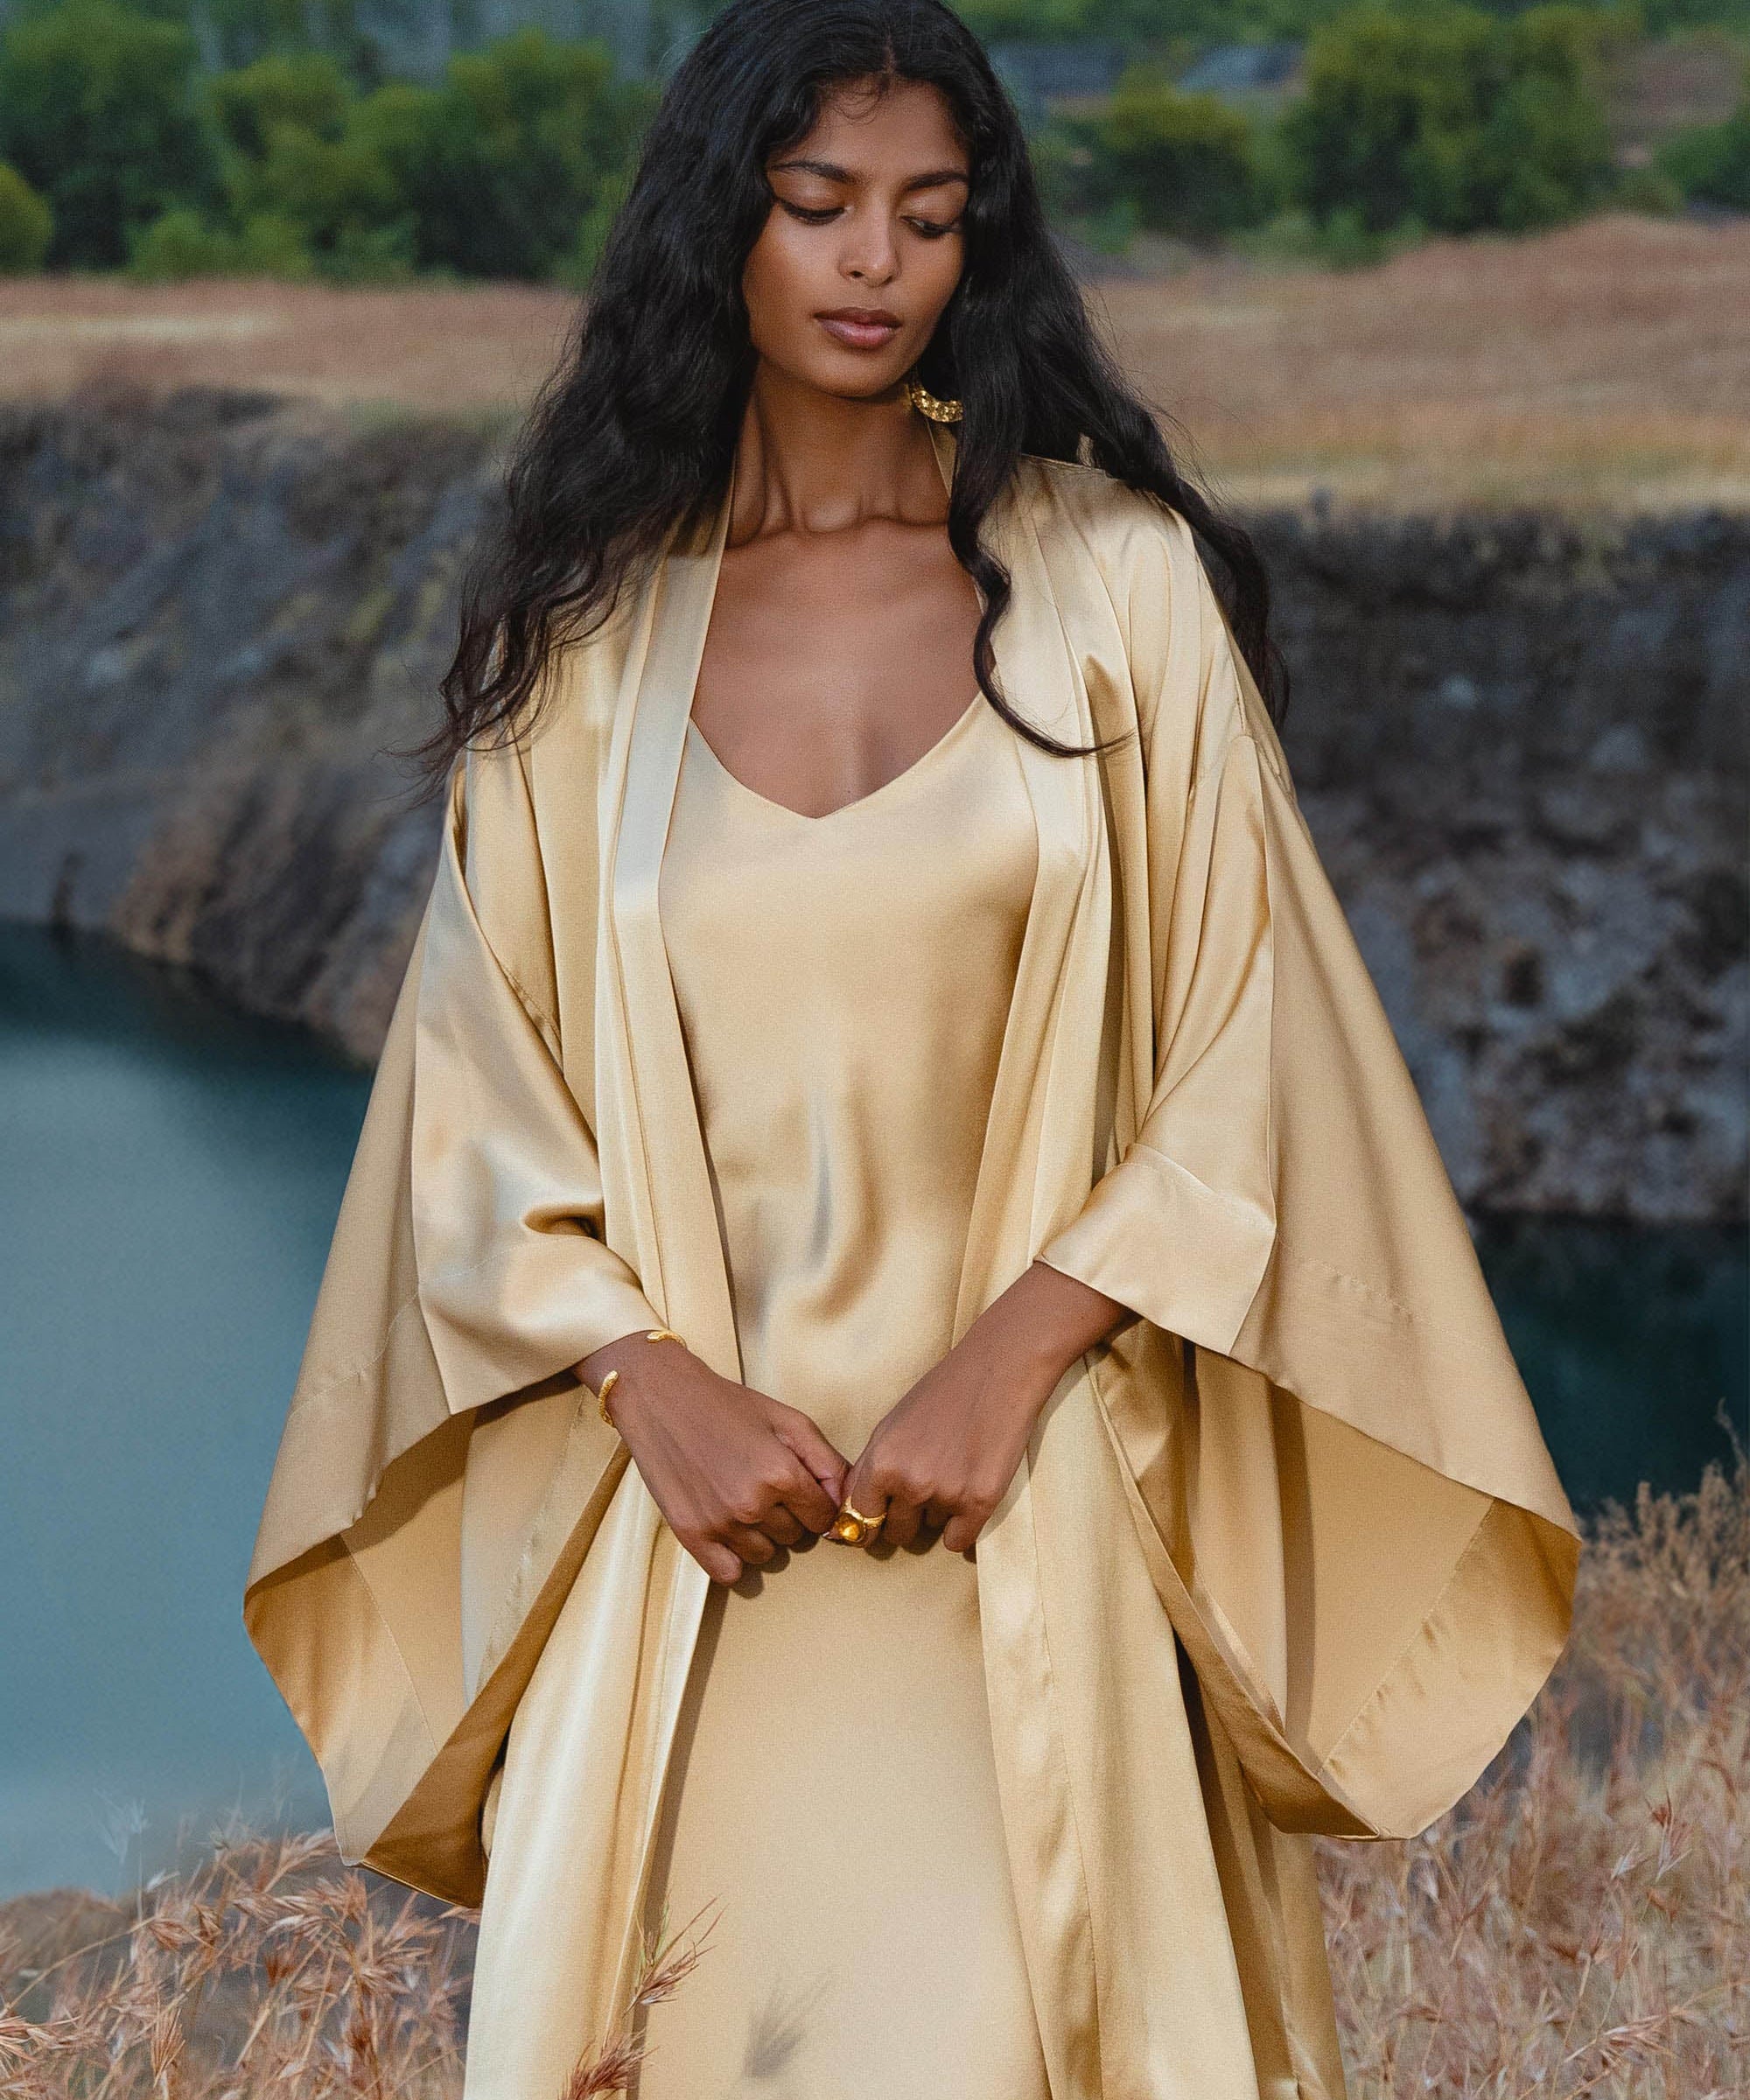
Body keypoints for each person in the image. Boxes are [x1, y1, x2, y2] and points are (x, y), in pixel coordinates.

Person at [242, 4, 1580, 2096]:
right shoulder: (587, 642)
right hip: (687, 1557)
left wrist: (1019, 1347)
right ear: (725, 230)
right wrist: (644, 1379)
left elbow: (1256, 1046)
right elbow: (473, 1102)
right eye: (818, 205)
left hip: (1030, 1530)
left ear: (982, 249)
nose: (875, 262)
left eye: (929, 217)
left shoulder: (1118, 593)